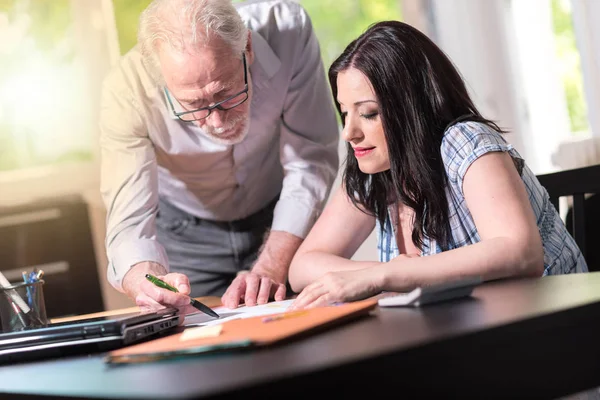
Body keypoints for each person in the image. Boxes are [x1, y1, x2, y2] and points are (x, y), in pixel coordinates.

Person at [287, 20, 588, 310]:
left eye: (368, 113)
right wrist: (387, 270)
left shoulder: (465, 141)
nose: (349, 132)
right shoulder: (374, 169)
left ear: (411, 107)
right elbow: (302, 267)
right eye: (345, 112)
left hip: (552, 326)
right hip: (469, 332)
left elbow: (520, 252)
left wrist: (385, 276)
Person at [99, 0, 339, 311]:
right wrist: (147, 282)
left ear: (248, 48)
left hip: (279, 214)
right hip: (185, 234)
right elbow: (129, 223)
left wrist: (271, 266)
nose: (216, 121)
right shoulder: (126, 91)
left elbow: (310, 159)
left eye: (225, 93)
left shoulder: (287, 31)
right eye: (193, 104)